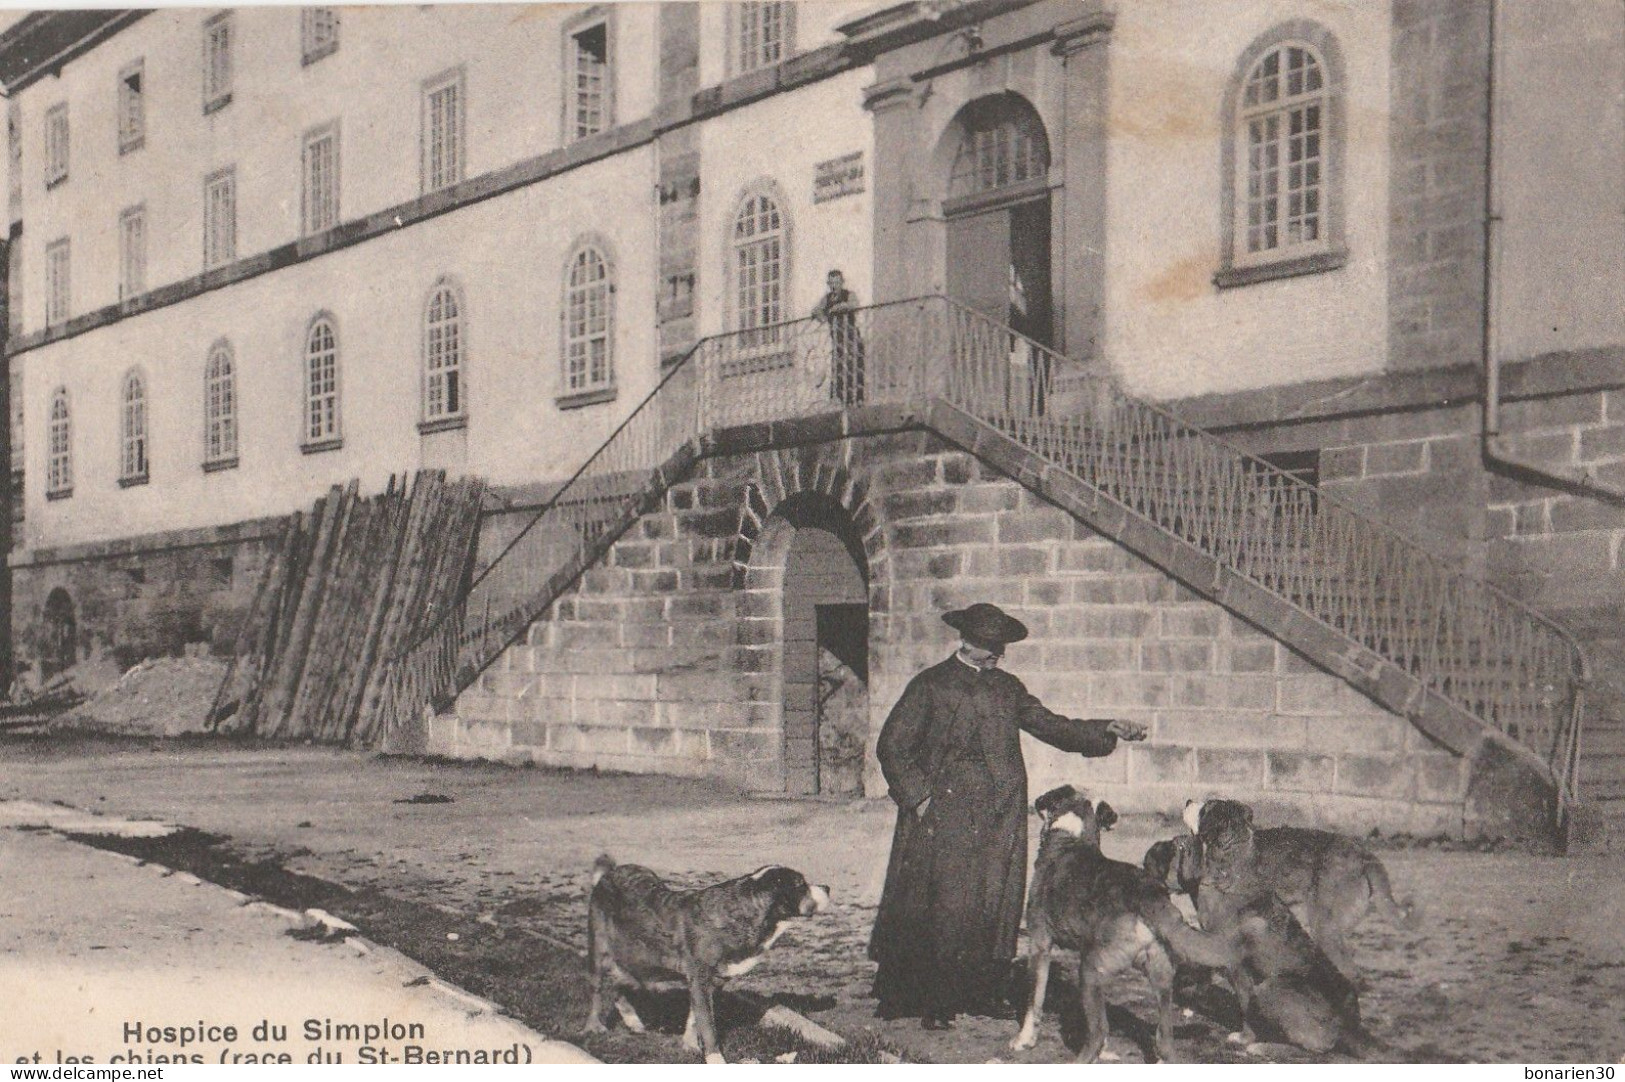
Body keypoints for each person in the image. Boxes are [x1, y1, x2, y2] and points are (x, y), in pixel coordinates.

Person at [867, 602, 1148, 1029]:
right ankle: (936, 999)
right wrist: (919, 798)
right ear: (964, 641)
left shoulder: (1007, 688)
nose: (996, 654)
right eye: (987, 646)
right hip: (945, 813)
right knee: (946, 903)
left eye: (999, 647)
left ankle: (983, 991)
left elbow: (1051, 725)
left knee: (994, 900)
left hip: (1001, 813)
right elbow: (892, 745)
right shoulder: (930, 686)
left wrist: (1103, 728)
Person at [810, 269, 866, 407]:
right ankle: (840, 398)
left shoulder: (848, 294)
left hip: (851, 335)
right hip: (837, 337)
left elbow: (854, 304)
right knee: (839, 366)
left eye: (837, 282)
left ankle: (857, 398)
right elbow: (816, 310)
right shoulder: (827, 298)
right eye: (832, 282)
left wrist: (838, 307)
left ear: (842, 282)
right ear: (828, 284)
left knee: (855, 364)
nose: (834, 285)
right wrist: (823, 317)